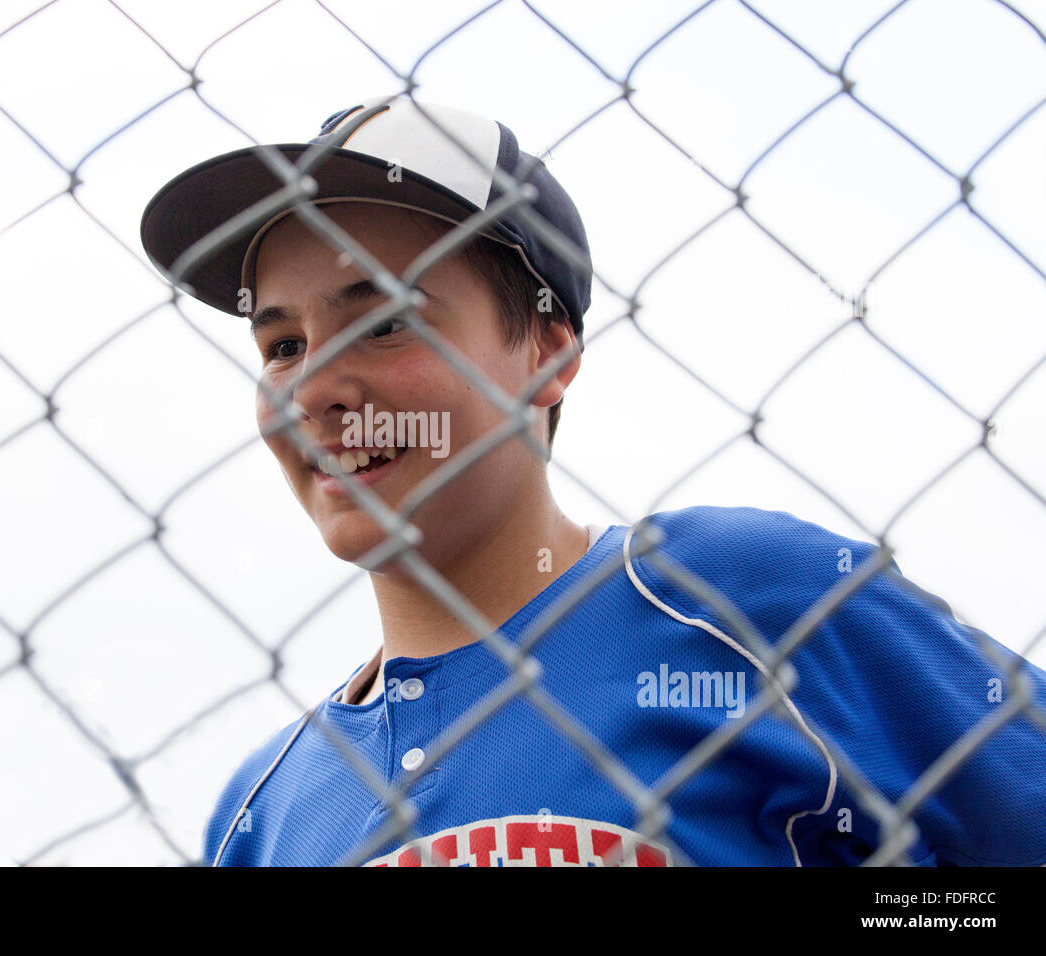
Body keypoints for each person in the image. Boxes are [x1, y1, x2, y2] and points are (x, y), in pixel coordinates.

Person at [140, 97, 1046, 866]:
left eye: (383, 322)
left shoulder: (741, 602)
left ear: (544, 352)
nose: (320, 391)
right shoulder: (261, 819)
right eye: (283, 345)